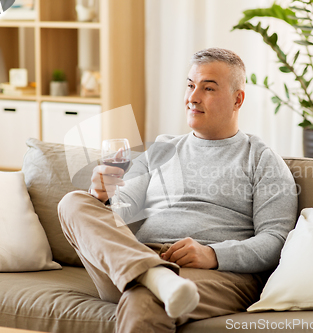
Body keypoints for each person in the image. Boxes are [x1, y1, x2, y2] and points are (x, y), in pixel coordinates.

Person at [58, 47, 298, 333]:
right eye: (190, 86)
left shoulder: (261, 159)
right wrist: (104, 198)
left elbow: (276, 240)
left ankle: (156, 280)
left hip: (215, 274)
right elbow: (123, 211)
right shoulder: (163, 149)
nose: (193, 98)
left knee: (146, 302)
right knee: (74, 202)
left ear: (238, 99)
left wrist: (213, 254)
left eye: (208, 88)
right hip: (130, 262)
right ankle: (155, 276)